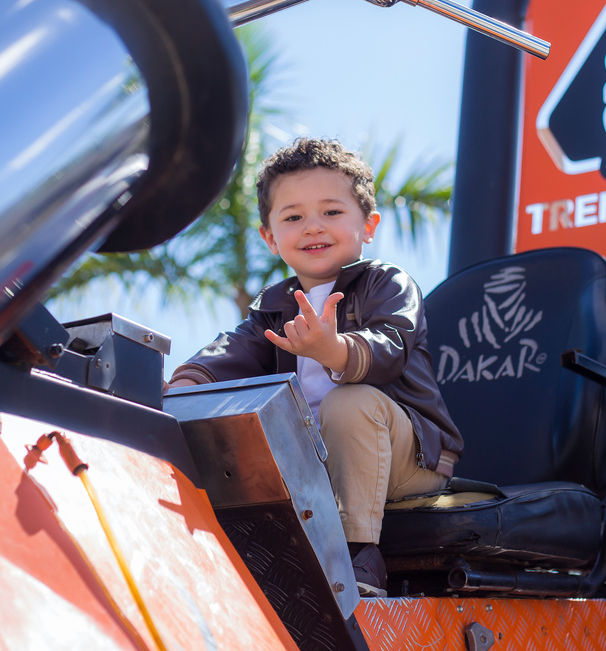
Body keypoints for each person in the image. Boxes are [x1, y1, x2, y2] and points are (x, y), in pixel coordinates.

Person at [166, 138, 463, 597]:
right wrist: (179, 386)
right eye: (292, 217)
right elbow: (230, 353)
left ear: (368, 225)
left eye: (331, 212)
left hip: (410, 459)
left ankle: (358, 555)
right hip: (324, 461)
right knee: (231, 423)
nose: (312, 227)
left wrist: (336, 350)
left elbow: (391, 346)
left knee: (351, 401)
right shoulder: (273, 308)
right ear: (270, 237)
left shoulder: (387, 284)